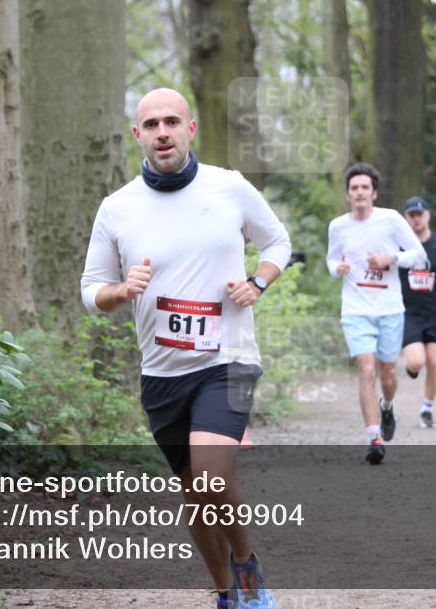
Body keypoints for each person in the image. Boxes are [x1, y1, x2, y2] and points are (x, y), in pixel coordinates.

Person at [81, 88, 290, 609]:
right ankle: (225, 593)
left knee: (212, 478)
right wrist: (121, 290)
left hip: (227, 359)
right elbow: (91, 289)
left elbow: (277, 242)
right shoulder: (117, 208)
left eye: (172, 121)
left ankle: (247, 567)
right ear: (137, 135)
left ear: (190, 128)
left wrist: (258, 282)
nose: (163, 132)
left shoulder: (229, 187)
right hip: (162, 371)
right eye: (151, 124)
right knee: (196, 494)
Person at [326, 164, 427, 464]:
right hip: (356, 310)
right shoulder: (338, 226)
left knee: (387, 374)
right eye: (354, 188)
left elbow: (418, 255)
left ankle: (387, 407)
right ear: (348, 195)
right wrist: (338, 268)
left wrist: (390, 258)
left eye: (364, 188)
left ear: (374, 193)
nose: (359, 192)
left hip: (389, 309)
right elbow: (331, 260)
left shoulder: (391, 220)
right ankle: (374, 437)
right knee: (366, 368)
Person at [398, 197, 436, 428]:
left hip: (434, 312)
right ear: (406, 218)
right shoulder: (399, 246)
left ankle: (427, 409)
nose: (416, 219)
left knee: (434, 361)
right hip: (408, 313)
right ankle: (411, 367)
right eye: (411, 215)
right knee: (416, 362)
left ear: (428, 215)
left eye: (419, 214)